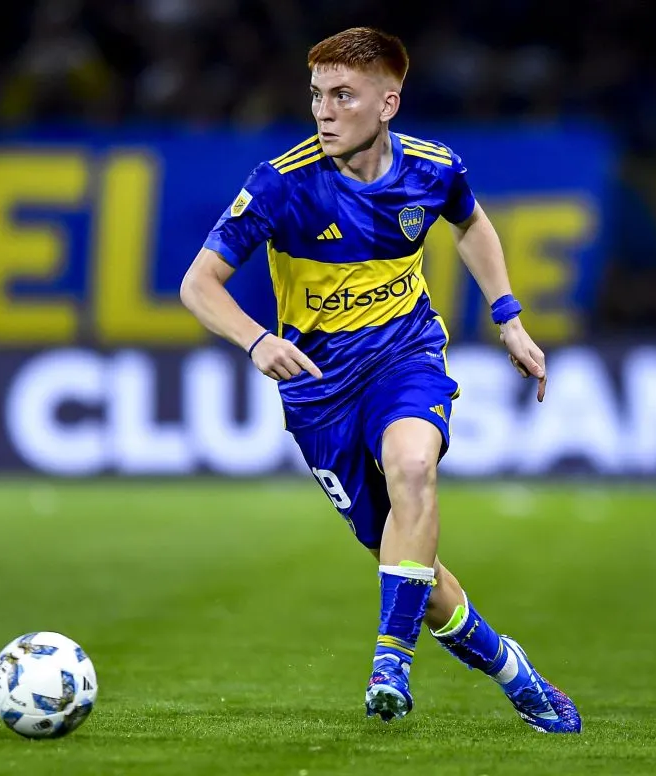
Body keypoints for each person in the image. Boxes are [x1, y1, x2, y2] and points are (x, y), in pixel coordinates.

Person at [179, 27, 581, 732]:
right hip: (318, 392)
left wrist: (508, 317)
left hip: (404, 357)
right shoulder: (281, 184)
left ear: (388, 103)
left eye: (343, 96)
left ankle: (389, 664)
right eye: (316, 96)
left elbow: (473, 223)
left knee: (413, 467)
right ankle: (513, 669)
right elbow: (199, 285)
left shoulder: (435, 169)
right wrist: (256, 339)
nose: (324, 112)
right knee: (413, 575)